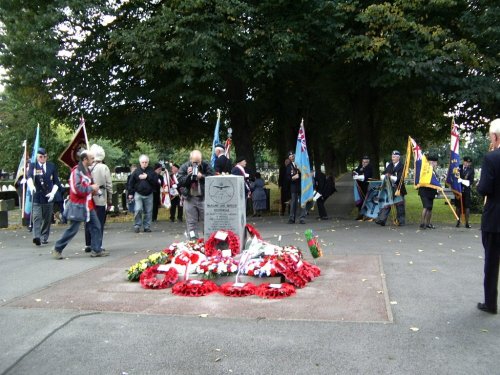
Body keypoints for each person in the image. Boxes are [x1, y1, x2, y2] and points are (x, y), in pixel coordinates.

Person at [52, 150, 107, 259]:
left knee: (96, 226)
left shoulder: (87, 171)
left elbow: (87, 186)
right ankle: (57, 248)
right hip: (78, 206)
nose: (93, 160)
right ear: (85, 159)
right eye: (91, 158)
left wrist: (94, 190)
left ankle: (96, 249)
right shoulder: (76, 172)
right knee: (73, 229)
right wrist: (91, 188)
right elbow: (77, 189)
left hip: (88, 206)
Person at [476, 118, 500, 315]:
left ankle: (490, 303)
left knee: (492, 262)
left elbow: (484, 188)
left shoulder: (491, 158)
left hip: (495, 219)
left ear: (495, 136)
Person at [26, 147, 61, 246]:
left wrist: (53, 193)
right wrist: (32, 186)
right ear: (37, 157)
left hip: (48, 195)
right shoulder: (33, 166)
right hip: (37, 195)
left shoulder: (51, 166)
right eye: (41, 156)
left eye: (44, 156)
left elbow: (56, 182)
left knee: (47, 218)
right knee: (37, 217)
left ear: (47, 157)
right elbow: (29, 178)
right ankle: (37, 237)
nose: (43, 158)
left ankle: (44, 236)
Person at [177, 150, 214, 239]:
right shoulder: (184, 166)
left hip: (203, 198)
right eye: (194, 162)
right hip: (189, 198)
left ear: (201, 160)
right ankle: (193, 242)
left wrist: (202, 176)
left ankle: (208, 241)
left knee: (207, 221)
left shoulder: (206, 165)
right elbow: (180, 182)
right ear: (190, 159)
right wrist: (189, 176)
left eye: (198, 162)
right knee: (191, 222)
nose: (196, 164)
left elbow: (213, 178)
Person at [84, 144, 113, 252]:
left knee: (88, 221)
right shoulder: (104, 167)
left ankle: (88, 243)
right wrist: (109, 200)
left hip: (88, 197)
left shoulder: (86, 168)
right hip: (100, 197)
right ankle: (98, 244)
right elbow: (109, 185)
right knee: (99, 222)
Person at [375, 150, 407, 226]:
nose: (393, 158)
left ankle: (401, 221)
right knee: (387, 204)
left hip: (398, 188)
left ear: (398, 158)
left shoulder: (402, 166)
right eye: (392, 156)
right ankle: (382, 220)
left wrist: (390, 176)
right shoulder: (390, 165)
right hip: (389, 188)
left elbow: (399, 178)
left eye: (394, 157)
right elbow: (383, 174)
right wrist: (385, 176)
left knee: (399, 205)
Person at [127, 155, 157, 233]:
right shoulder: (136, 172)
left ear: (148, 162)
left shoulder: (151, 171)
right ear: (140, 163)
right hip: (138, 193)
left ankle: (147, 226)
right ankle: (137, 225)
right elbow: (131, 183)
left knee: (148, 211)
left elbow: (156, 183)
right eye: (143, 162)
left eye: (146, 162)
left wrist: (147, 177)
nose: (144, 164)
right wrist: (130, 193)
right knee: (138, 209)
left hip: (149, 194)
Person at [418, 155, 439, 229]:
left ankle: (428, 223)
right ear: (432, 162)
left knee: (430, 208)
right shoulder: (425, 169)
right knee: (426, 206)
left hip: (431, 191)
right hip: (424, 190)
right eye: (435, 162)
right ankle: (422, 223)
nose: (436, 164)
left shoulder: (433, 170)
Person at [286, 151, 306, 224]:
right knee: (293, 203)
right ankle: (292, 218)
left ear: (295, 156)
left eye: (293, 156)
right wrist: (293, 177)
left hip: (301, 185)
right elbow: (287, 177)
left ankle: (302, 218)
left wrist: (300, 173)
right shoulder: (288, 166)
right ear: (289, 158)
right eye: (290, 157)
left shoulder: (300, 165)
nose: (292, 158)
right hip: (293, 186)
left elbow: (305, 173)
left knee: (302, 202)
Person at [455, 156, 475, 228]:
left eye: (469, 162)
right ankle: (458, 221)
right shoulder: (458, 167)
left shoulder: (471, 170)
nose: (467, 163)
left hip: (466, 190)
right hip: (458, 189)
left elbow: (470, 182)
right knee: (458, 206)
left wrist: (462, 181)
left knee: (467, 206)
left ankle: (467, 222)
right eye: (466, 162)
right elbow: (455, 178)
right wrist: (458, 179)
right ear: (463, 161)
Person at [353, 156, 373, 220]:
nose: (364, 163)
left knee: (366, 200)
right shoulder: (360, 167)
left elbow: (367, 176)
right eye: (363, 162)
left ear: (368, 162)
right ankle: (360, 215)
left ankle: (367, 215)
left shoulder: (370, 167)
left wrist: (358, 176)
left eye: (366, 162)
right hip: (359, 186)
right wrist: (354, 173)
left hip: (366, 186)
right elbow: (355, 172)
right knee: (360, 201)